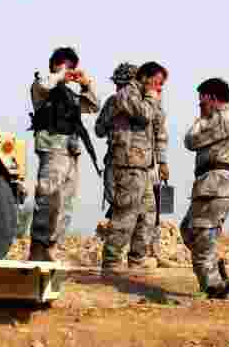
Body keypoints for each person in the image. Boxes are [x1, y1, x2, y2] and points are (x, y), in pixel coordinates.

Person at [28, 46, 100, 261]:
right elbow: (45, 84)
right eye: (64, 65)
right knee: (48, 197)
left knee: (65, 203)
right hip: (52, 149)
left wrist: (86, 83)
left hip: (71, 151)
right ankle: (38, 248)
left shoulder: (70, 95)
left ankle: (52, 246)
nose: (69, 70)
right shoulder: (42, 86)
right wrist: (59, 74)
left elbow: (93, 105)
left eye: (71, 66)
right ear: (53, 65)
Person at [96, 61, 169, 272]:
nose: (159, 88)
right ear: (144, 78)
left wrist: (162, 161)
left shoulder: (149, 100)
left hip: (145, 167)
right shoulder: (127, 96)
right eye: (156, 82)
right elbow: (100, 129)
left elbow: (158, 129)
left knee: (148, 214)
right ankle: (112, 262)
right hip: (126, 165)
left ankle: (137, 259)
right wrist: (114, 115)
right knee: (126, 213)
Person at [180, 77, 229, 298]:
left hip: (215, 185)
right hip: (216, 185)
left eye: (202, 101)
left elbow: (190, 141)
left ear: (212, 98)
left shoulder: (220, 119)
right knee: (189, 230)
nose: (200, 106)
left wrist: (201, 117)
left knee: (201, 234)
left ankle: (215, 289)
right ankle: (216, 275)